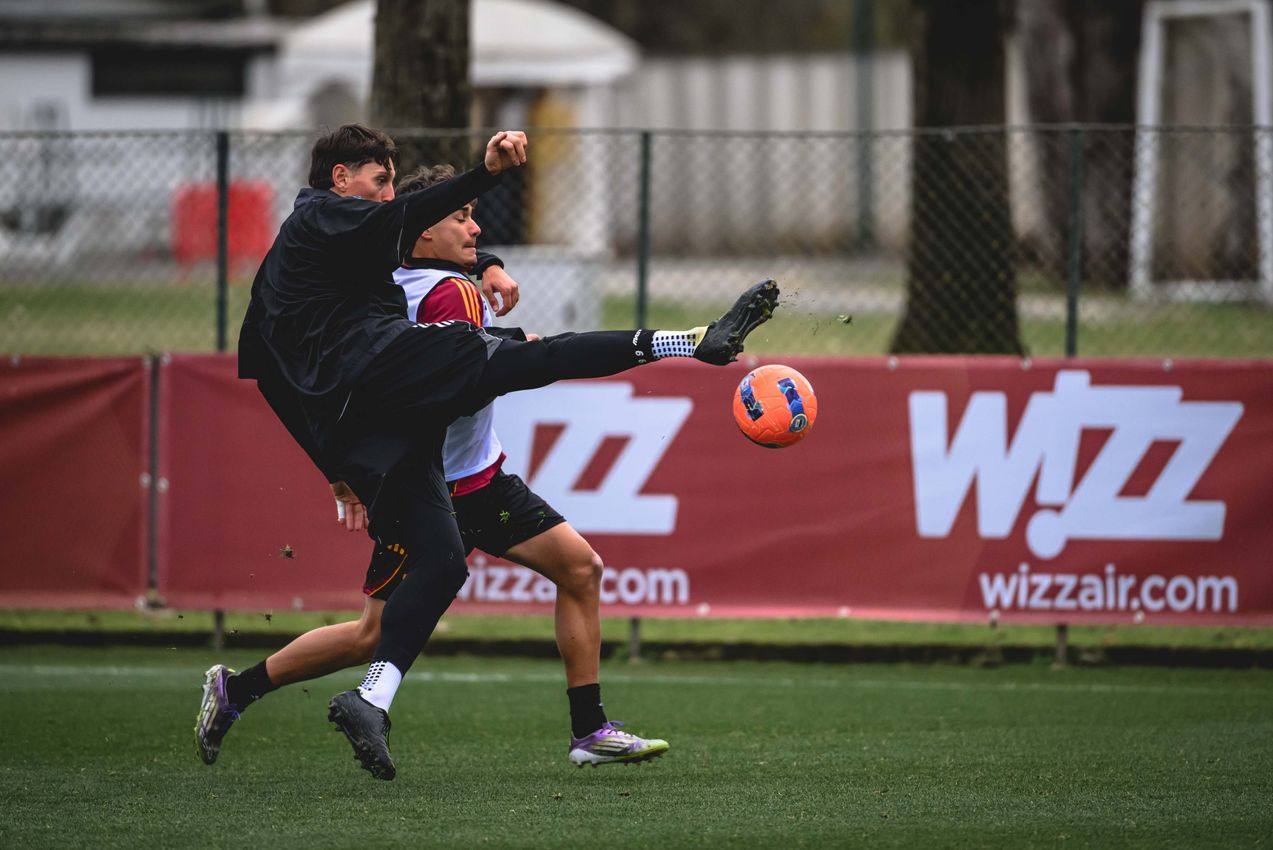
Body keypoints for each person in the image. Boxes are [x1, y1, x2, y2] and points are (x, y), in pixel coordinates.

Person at [199, 122, 779, 781]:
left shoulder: (365, 258)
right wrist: (488, 181)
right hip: (426, 462)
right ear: (343, 180)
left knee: (540, 571)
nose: (472, 229)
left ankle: (301, 696)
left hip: (447, 469)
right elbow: (414, 232)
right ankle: (689, 342)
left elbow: (412, 246)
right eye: (461, 217)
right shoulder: (343, 232)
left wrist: (488, 275)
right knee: (542, 360)